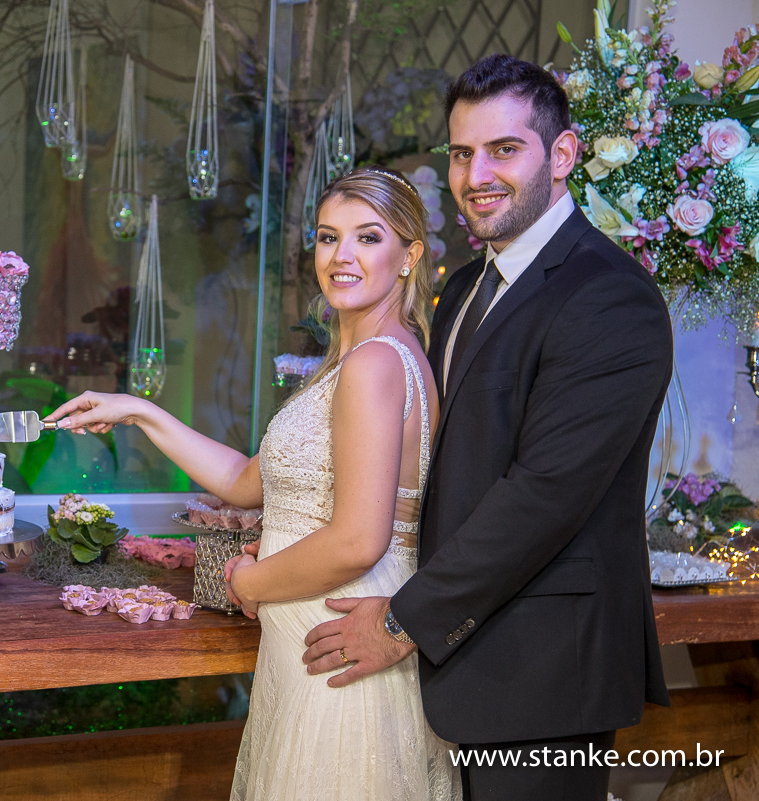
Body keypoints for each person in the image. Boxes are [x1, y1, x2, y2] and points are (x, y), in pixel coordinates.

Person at [300, 54, 673, 801]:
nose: (477, 176)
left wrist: (402, 622)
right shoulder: (466, 286)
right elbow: (435, 459)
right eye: (463, 153)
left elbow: (542, 498)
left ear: (562, 155)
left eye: (505, 150)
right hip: (452, 659)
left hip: (540, 671)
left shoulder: (611, 297)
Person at [45, 167, 461, 800]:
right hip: (306, 641)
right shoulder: (360, 360)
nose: (341, 255)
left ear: (409, 256)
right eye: (328, 237)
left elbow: (357, 539)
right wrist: (139, 410)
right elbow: (245, 483)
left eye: (367, 237)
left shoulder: (376, 364)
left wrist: (248, 582)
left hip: (336, 642)